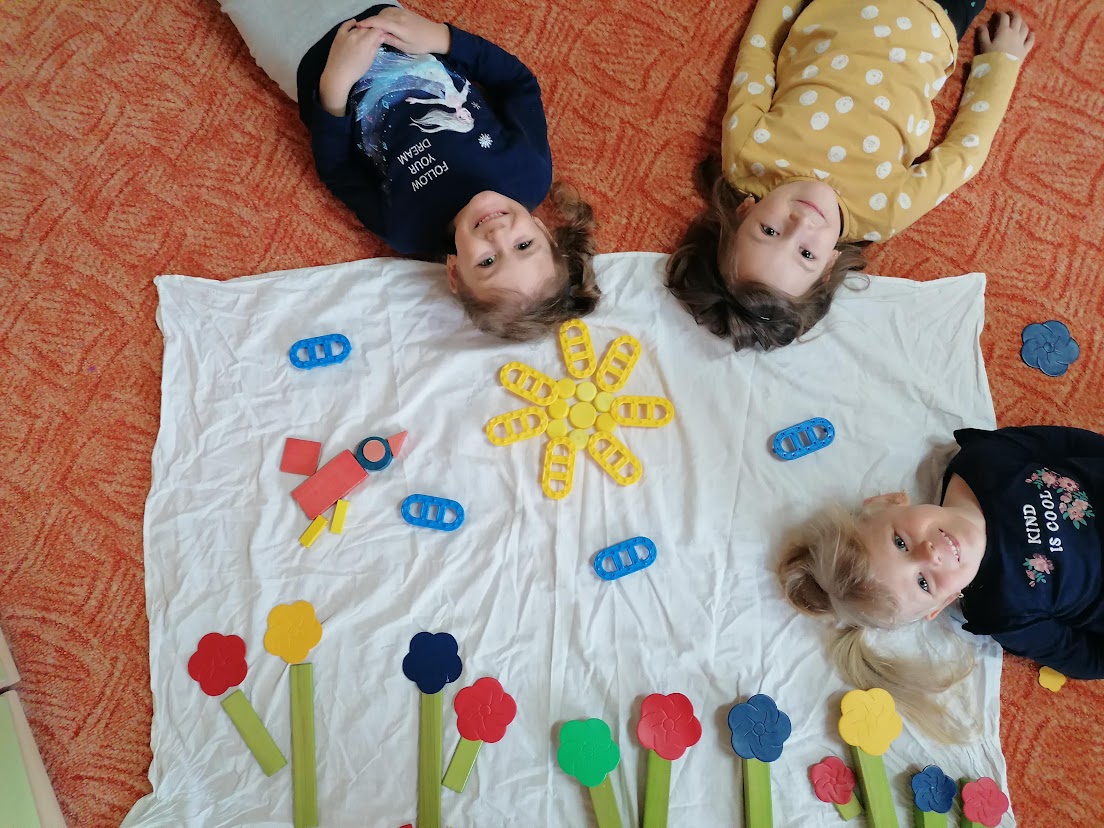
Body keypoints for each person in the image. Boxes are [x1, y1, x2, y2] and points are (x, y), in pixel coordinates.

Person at [667, 0, 1036, 351]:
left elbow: (758, 55)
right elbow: (963, 154)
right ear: (829, 266)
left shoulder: (747, 156)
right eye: (806, 253)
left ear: (744, 211)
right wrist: (1000, 65)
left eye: (770, 231)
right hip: (935, 14)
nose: (802, 222)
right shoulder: (882, 213)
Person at [218, 2, 600, 340]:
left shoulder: (406, 229)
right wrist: (442, 38)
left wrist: (334, 87)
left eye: (487, 262)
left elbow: (337, 171)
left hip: (304, 58)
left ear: (455, 272)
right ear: (543, 231)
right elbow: (518, 84)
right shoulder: (530, 171)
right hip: (385, 20)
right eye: (523, 245)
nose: (499, 235)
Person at [779, 426, 1102, 740]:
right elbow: (1082, 656)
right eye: (923, 583)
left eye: (900, 543)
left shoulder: (984, 460)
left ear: (887, 502)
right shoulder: (1001, 611)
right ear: (944, 602)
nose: (929, 554)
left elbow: (1063, 443)